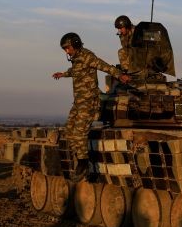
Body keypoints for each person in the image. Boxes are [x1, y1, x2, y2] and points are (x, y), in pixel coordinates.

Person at [52, 32, 131, 181]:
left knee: (79, 133)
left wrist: (120, 75)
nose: (66, 51)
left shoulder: (88, 56)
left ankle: (83, 164)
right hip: (79, 102)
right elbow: (75, 71)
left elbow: (104, 66)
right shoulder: (76, 60)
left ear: (75, 44)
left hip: (88, 102)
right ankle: (82, 161)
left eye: (67, 48)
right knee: (69, 131)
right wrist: (63, 74)